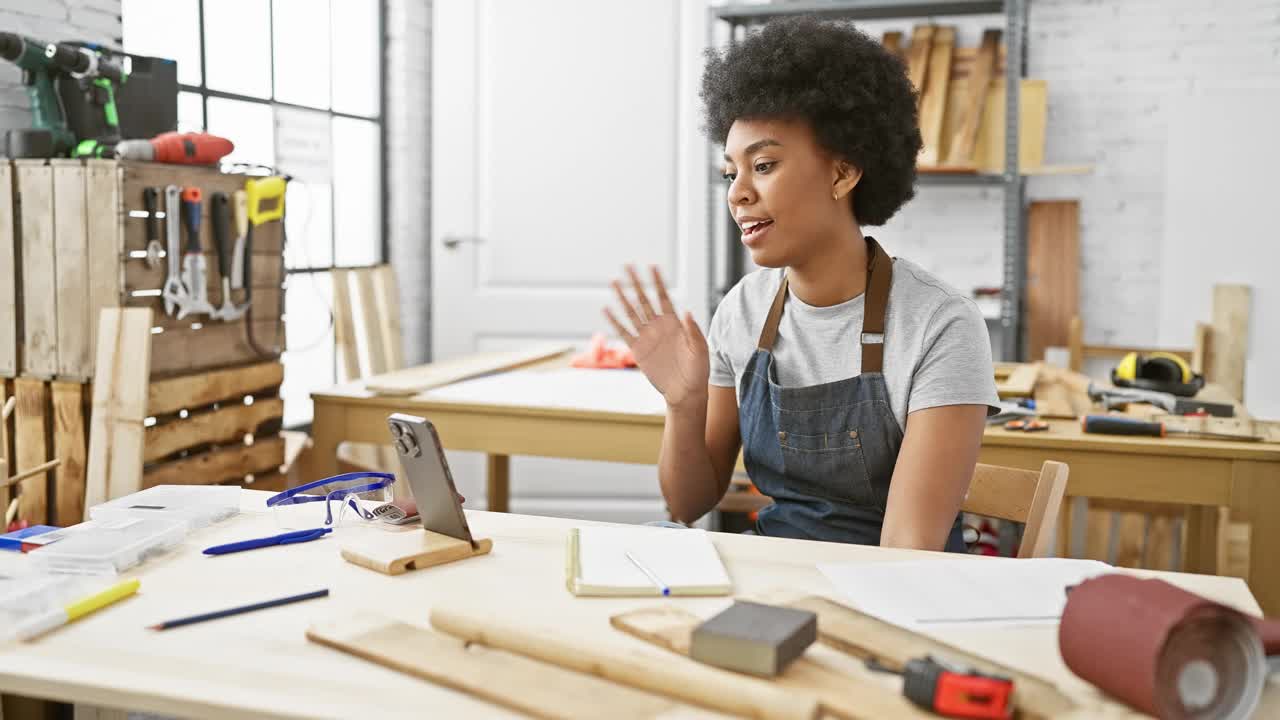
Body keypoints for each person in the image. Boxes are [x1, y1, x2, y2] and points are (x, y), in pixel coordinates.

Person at [604, 17, 999, 552]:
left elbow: (908, 550)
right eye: (730, 173)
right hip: (773, 568)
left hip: (891, 591)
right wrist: (684, 404)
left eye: (763, 165)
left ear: (842, 174)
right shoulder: (743, 310)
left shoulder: (940, 324)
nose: (737, 194)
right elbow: (688, 504)